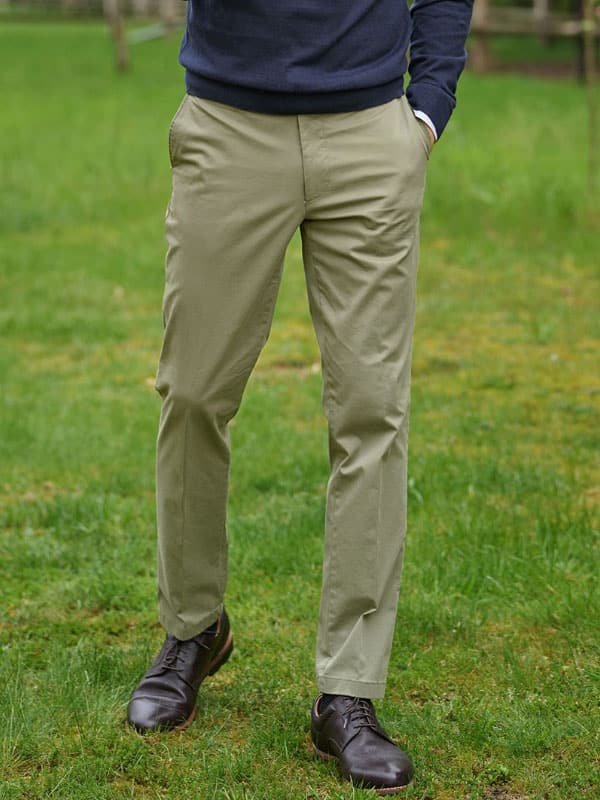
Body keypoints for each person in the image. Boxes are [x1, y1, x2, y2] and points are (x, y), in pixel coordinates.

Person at [127, 1, 473, 793]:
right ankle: (193, 628)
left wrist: (429, 106)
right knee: (193, 394)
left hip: (370, 133)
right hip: (228, 125)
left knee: (371, 414)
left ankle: (348, 690)